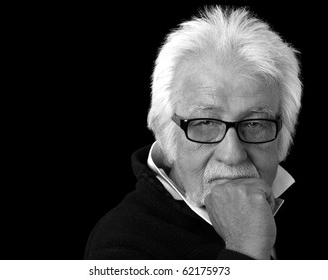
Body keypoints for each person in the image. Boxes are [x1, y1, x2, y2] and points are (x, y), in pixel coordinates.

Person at [85, 5, 302, 260]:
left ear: (283, 135)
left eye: (255, 124)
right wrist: (246, 247)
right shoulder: (121, 244)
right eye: (206, 124)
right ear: (166, 133)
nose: (232, 155)